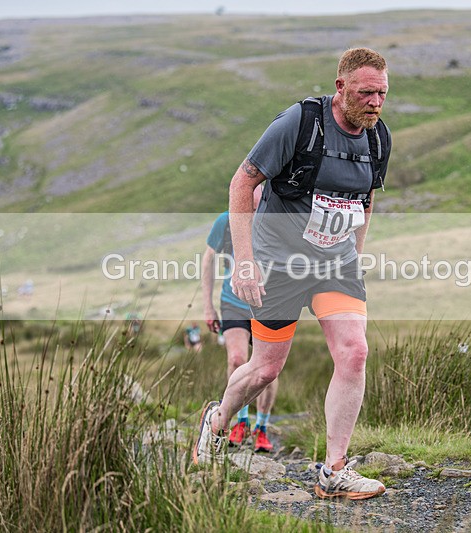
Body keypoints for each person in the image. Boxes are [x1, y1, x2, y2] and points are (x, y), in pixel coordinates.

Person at [193, 47, 392, 501]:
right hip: (279, 263)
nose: (376, 103)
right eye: (366, 93)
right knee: (265, 368)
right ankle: (217, 420)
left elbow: (365, 199)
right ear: (341, 88)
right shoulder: (300, 124)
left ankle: (334, 470)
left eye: (382, 94)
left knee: (355, 352)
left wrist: (355, 256)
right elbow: (243, 181)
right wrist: (245, 261)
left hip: (334, 265)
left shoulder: (378, 139)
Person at [200, 185, 278, 452]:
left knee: (267, 368)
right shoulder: (226, 220)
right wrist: (208, 307)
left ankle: (262, 427)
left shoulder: (278, 218)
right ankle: (239, 421)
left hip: (270, 303)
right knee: (236, 359)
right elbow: (208, 261)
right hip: (233, 301)